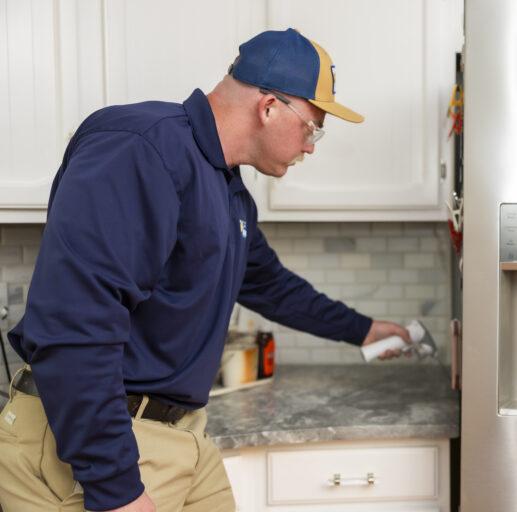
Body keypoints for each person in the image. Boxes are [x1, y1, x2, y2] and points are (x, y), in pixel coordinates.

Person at [0, 28, 410, 512]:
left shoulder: (227, 188)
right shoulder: (139, 148)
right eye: (312, 127)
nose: (312, 146)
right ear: (270, 107)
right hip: (94, 446)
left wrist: (361, 330)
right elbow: (74, 325)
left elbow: (271, 286)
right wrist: (116, 489)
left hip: (183, 438)